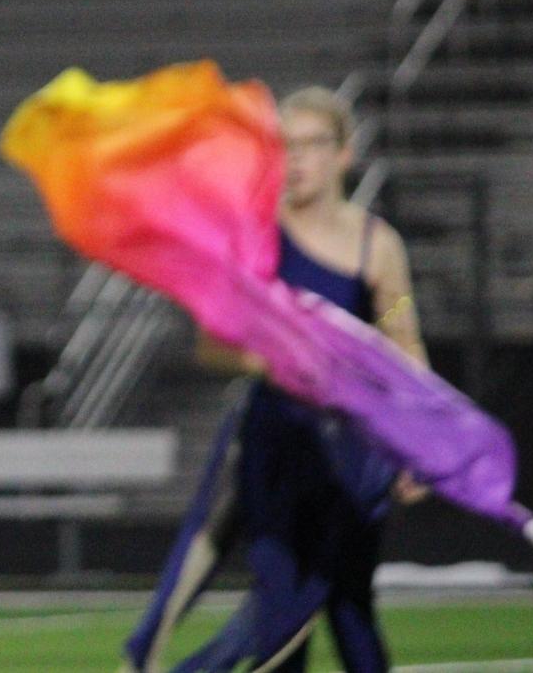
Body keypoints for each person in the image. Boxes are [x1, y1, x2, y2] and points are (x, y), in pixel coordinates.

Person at [127, 86, 426, 673]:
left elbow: (403, 340)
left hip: (351, 454)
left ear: (344, 154)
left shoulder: (377, 245)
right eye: (283, 147)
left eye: (312, 145)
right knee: (281, 615)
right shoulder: (254, 241)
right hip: (274, 447)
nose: (296, 160)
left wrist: (423, 438)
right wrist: (271, 361)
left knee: (351, 608)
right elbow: (212, 347)